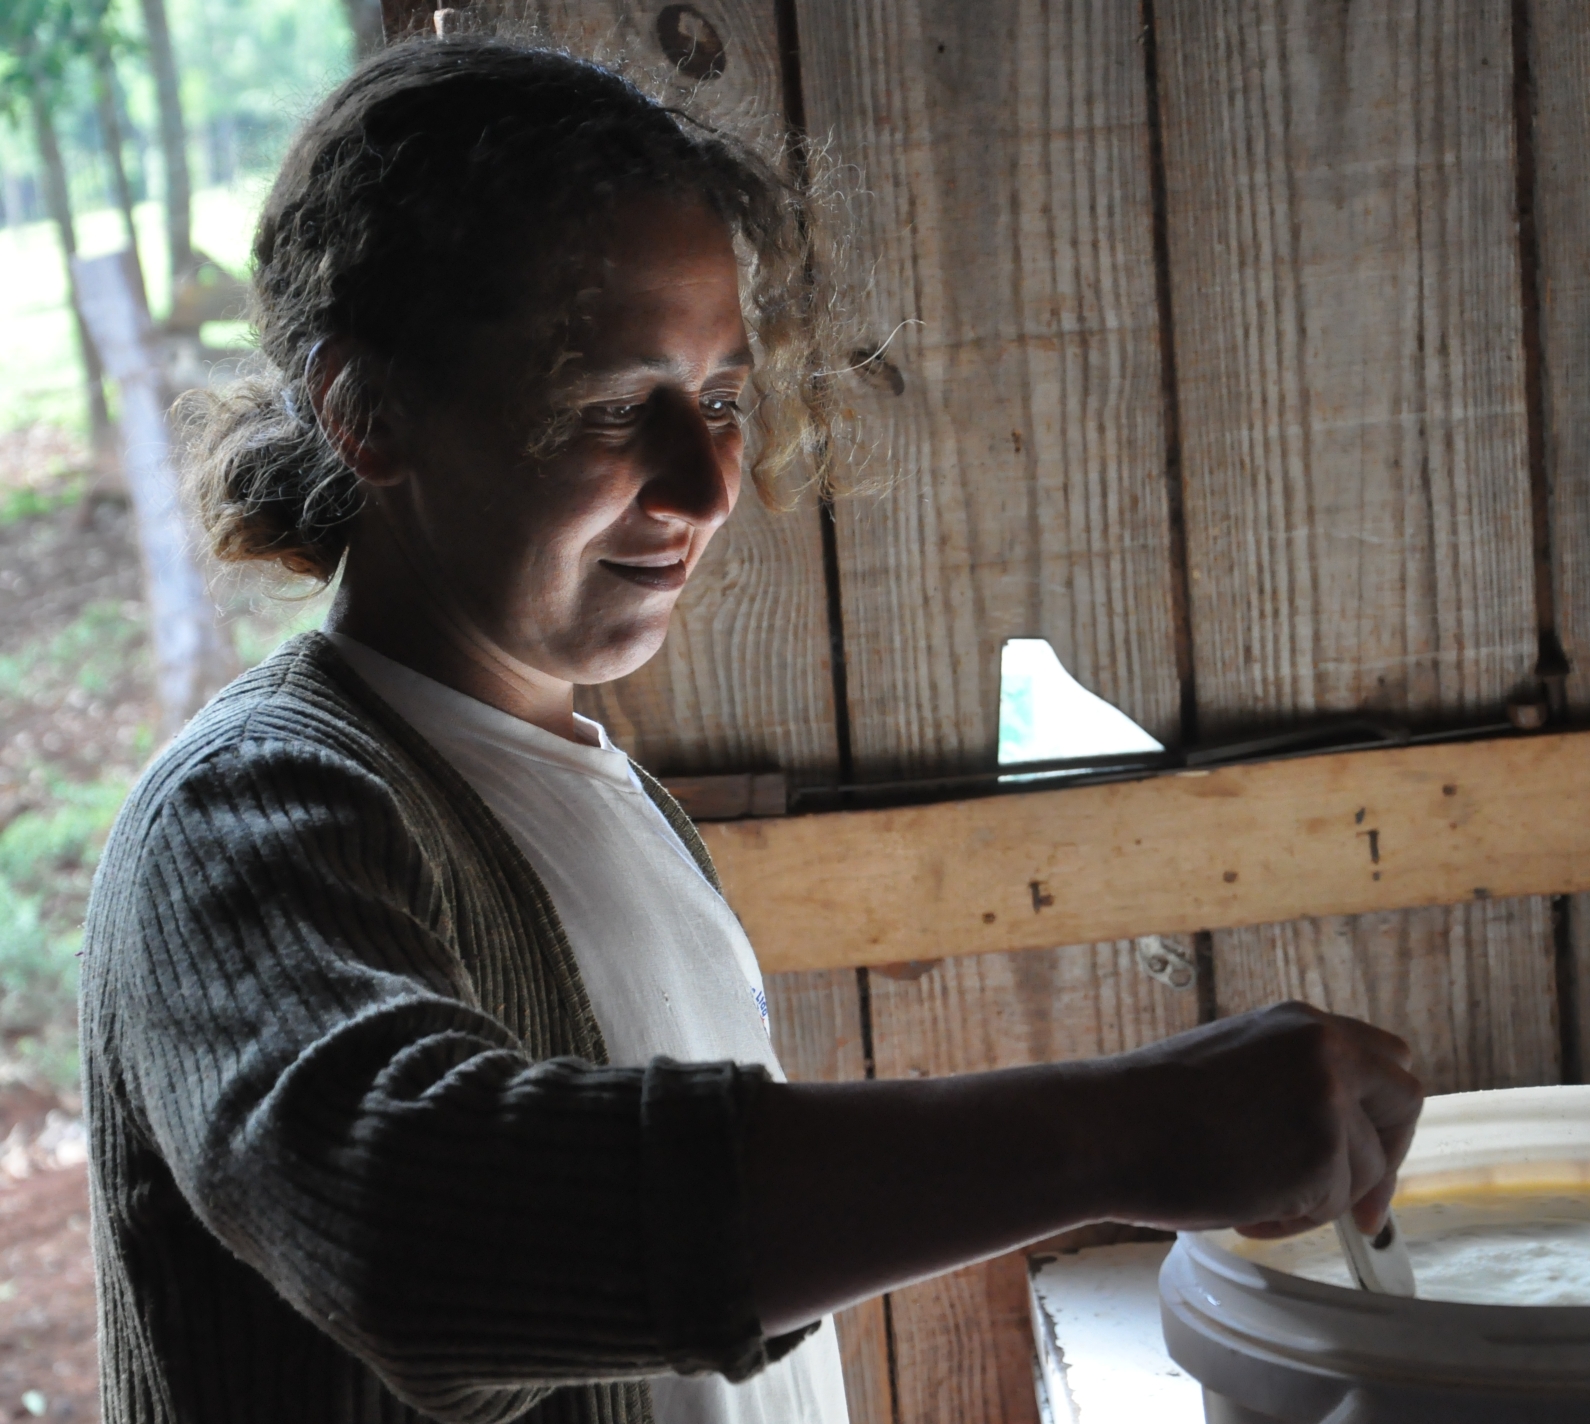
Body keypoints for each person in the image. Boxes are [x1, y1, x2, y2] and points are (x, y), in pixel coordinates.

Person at [80, 35, 1424, 1424]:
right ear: (369, 412)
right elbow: (410, 1233)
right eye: (613, 406)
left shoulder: (600, 796)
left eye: (720, 401)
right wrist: (1121, 1133)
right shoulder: (247, 817)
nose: (705, 483)